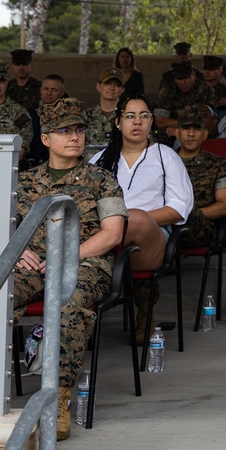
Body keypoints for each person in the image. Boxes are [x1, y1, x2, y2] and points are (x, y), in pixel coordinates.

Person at [0, 97, 127, 441]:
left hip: (84, 264)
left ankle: (57, 401)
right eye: (65, 131)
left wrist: (66, 257)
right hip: (31, 264)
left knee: (68, 306)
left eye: (80, 130)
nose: (75, 137)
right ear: (45, 139)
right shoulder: (22, 181)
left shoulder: (102, 180)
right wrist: (19, 247)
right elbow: (0, 225)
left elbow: (112, 233)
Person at [91, 95, 194, 335]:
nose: (137, 122)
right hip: (107, 239)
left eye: (144, 116)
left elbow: (180, 208)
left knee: (133, 217)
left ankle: (145, 310)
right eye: (129, 116)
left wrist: (136, 220)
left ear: (151, 123)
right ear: (118, 122)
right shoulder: (100, 159)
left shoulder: (165, 155)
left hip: (152, 238)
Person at [174, 105, 226, 248]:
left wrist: (187, 215)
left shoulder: (219, 164)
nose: (191, 134)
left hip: (201, 227)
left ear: (205, 134)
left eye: (196, 129)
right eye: (185, 129)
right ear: (177, 132)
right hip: (163, 223)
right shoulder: (163, 161)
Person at [155, 61, 216, 138]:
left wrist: (183, 127)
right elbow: (160, 121)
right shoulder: (168, 92)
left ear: (193, 75)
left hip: (200, 131)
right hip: (173, 132)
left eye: (186, 78)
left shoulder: (206, 90)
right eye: (179, 79)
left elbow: (210, 120)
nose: (183, 82)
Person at [82, 67, 125, 150]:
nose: (112, 88)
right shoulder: (85, 116)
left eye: (117, 85)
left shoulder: (128, 116)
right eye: (107, 83)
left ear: (122, 90)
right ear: (98, 86)